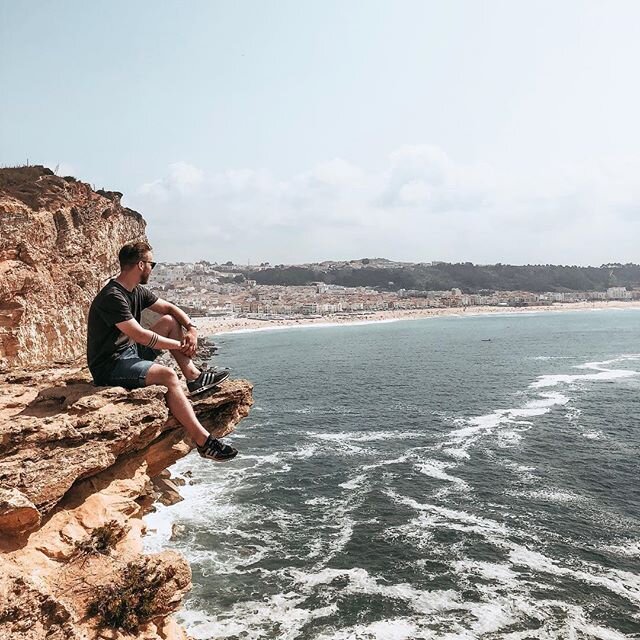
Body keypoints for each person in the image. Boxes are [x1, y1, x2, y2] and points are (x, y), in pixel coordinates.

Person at [87, 241, 237, 462]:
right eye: (151, 263)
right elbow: (141, 335)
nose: (152, 268)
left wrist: (191, 329)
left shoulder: (136, 291)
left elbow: (169, 309)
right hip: (109, 365)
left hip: (129, 353)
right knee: (167, 376)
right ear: (140, 265)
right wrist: (180, 345)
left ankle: (194, 377)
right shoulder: (113, 296)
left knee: (169, 322)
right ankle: (204, 442)